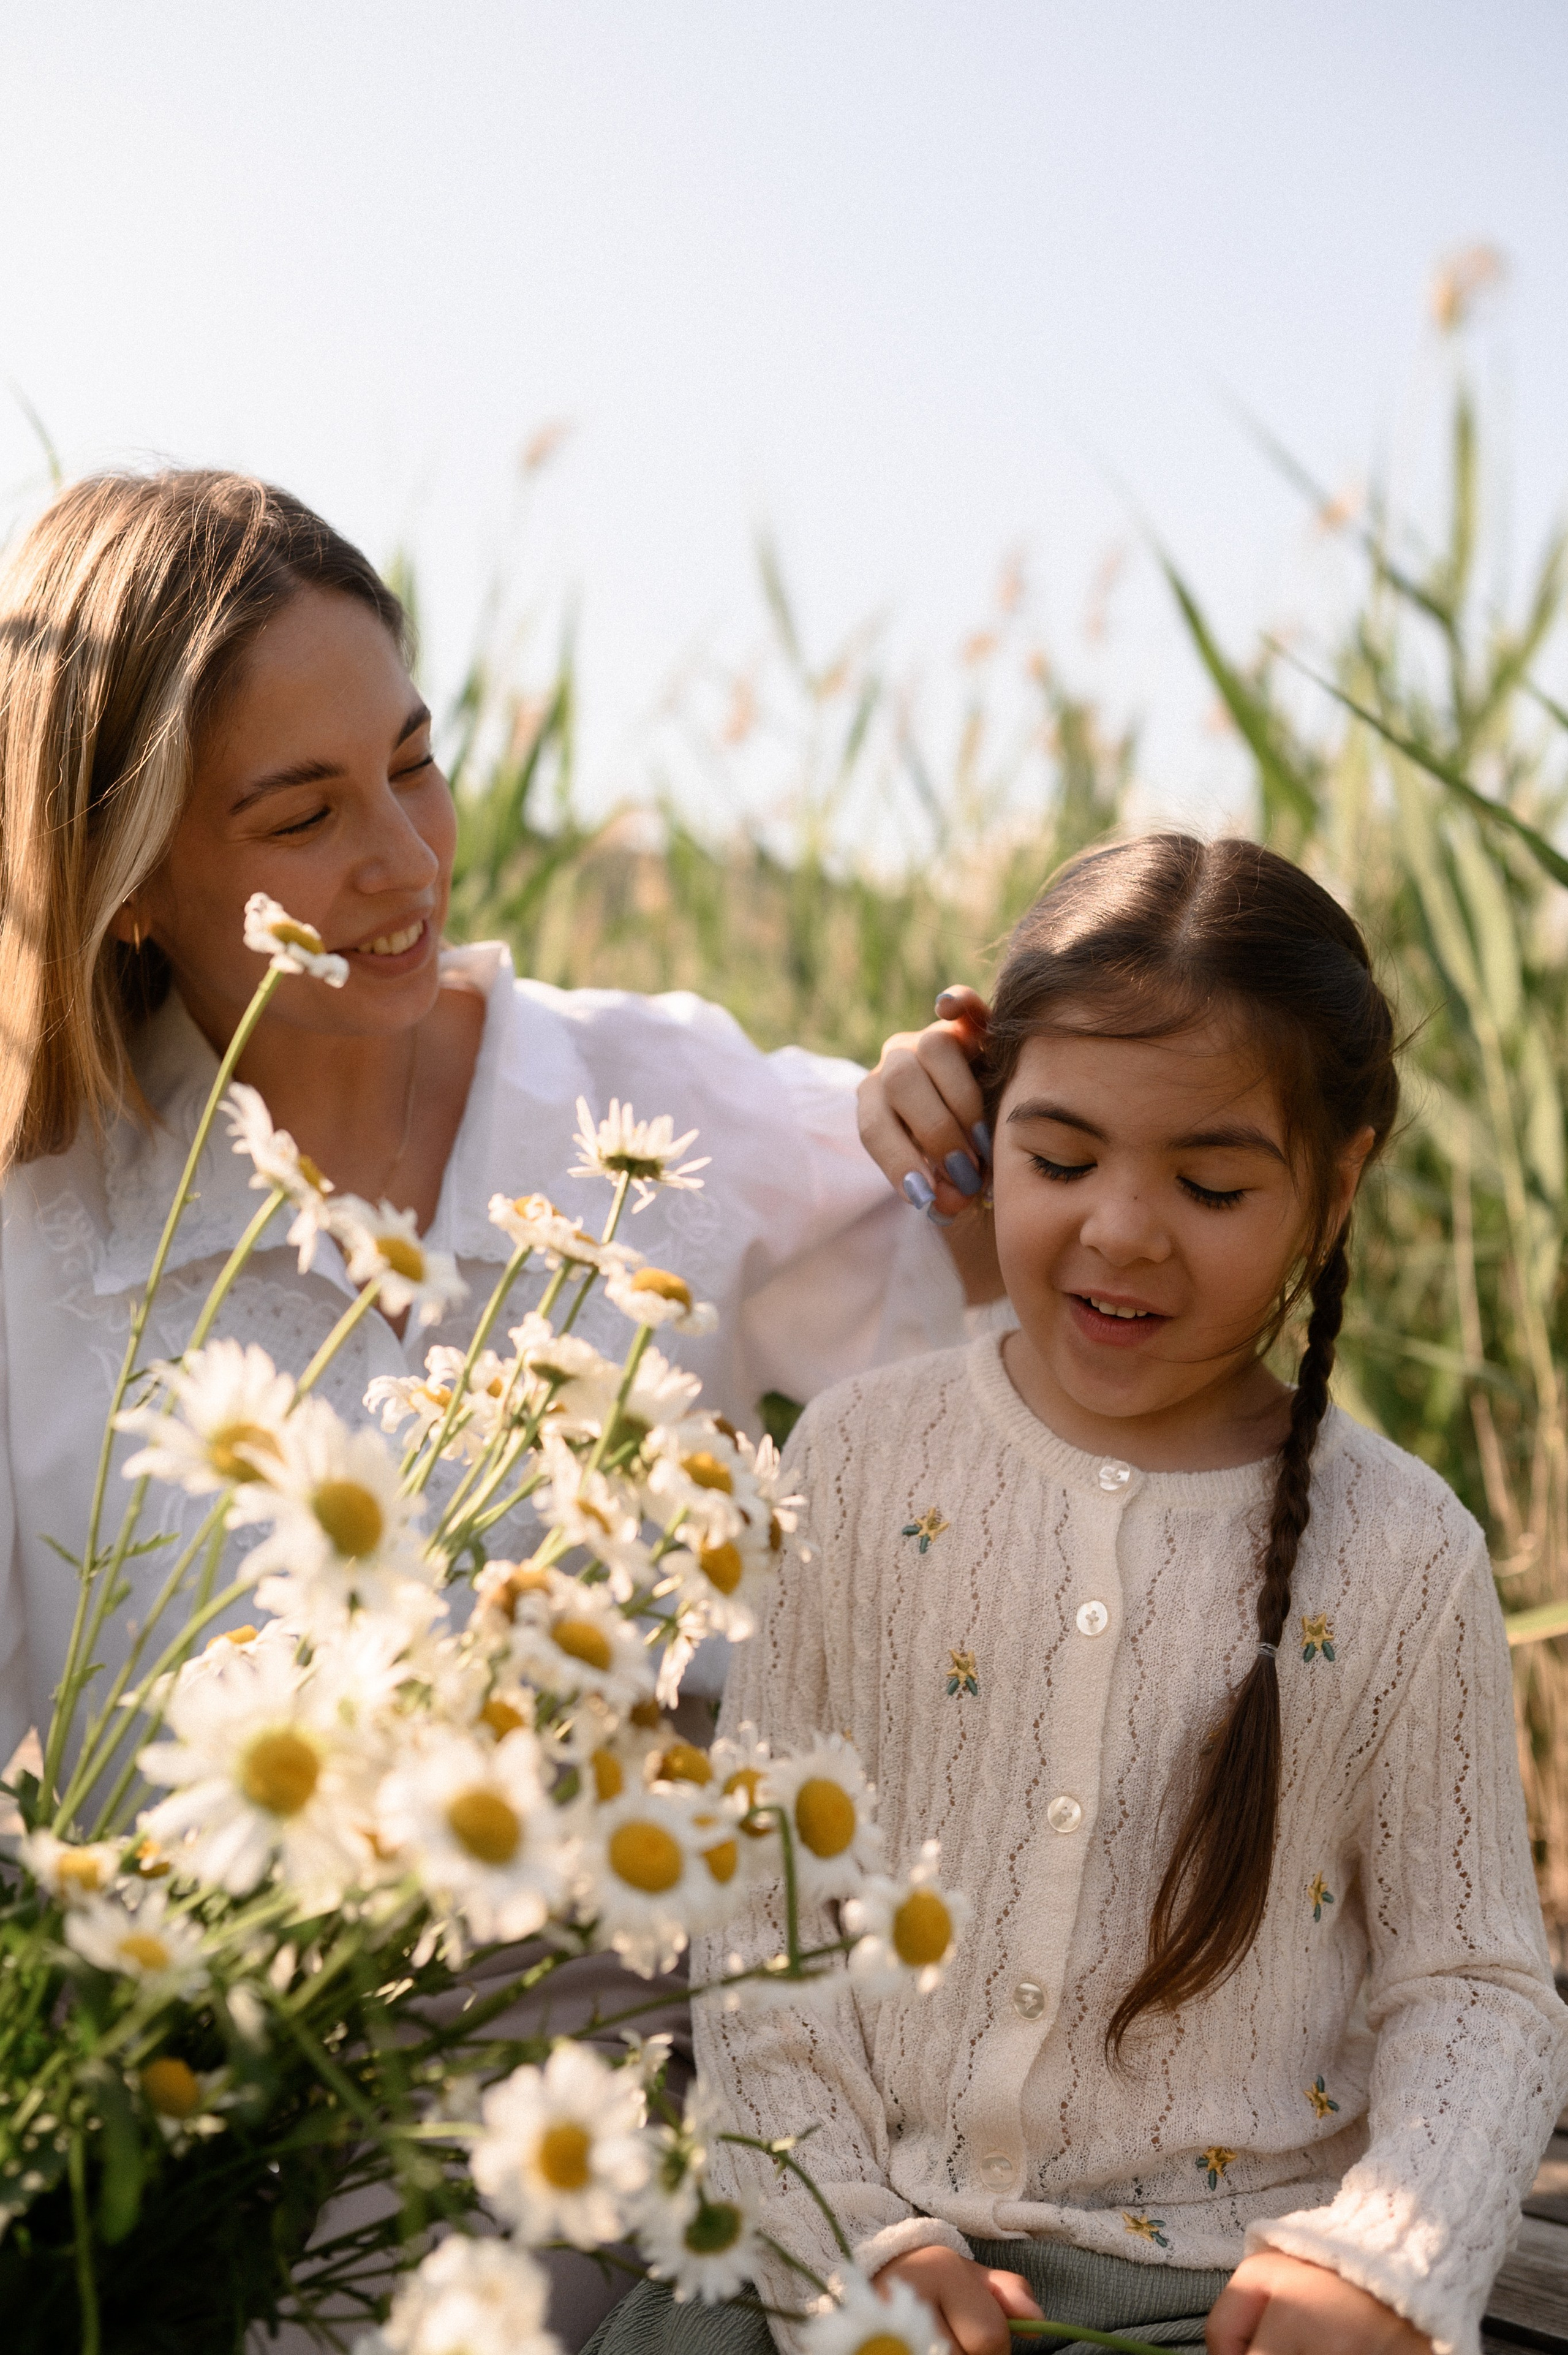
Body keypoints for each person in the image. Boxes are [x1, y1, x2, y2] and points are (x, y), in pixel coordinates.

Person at [0, 467, 992, 2343]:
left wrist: (982, 1124)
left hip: (729, 2149)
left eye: (415, 763)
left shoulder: (632, 1107)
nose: (400, 858)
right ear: (126, 884)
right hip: (252, 2197)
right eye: (302, 812)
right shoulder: (35, 1262)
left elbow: (1007, 1342)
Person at [589, 835, 1568, 2355]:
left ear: (1336, 1174)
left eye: (1211, 1179)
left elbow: (1475, 1982)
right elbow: (758, 1928)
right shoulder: (858, 1463)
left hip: (1221, 2298)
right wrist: (850, 2240)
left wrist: (1379, 2256)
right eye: (1058, 1160)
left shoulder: (1399, 1548)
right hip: (838, 2263)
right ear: (988, 1131)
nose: (1120, 1226)